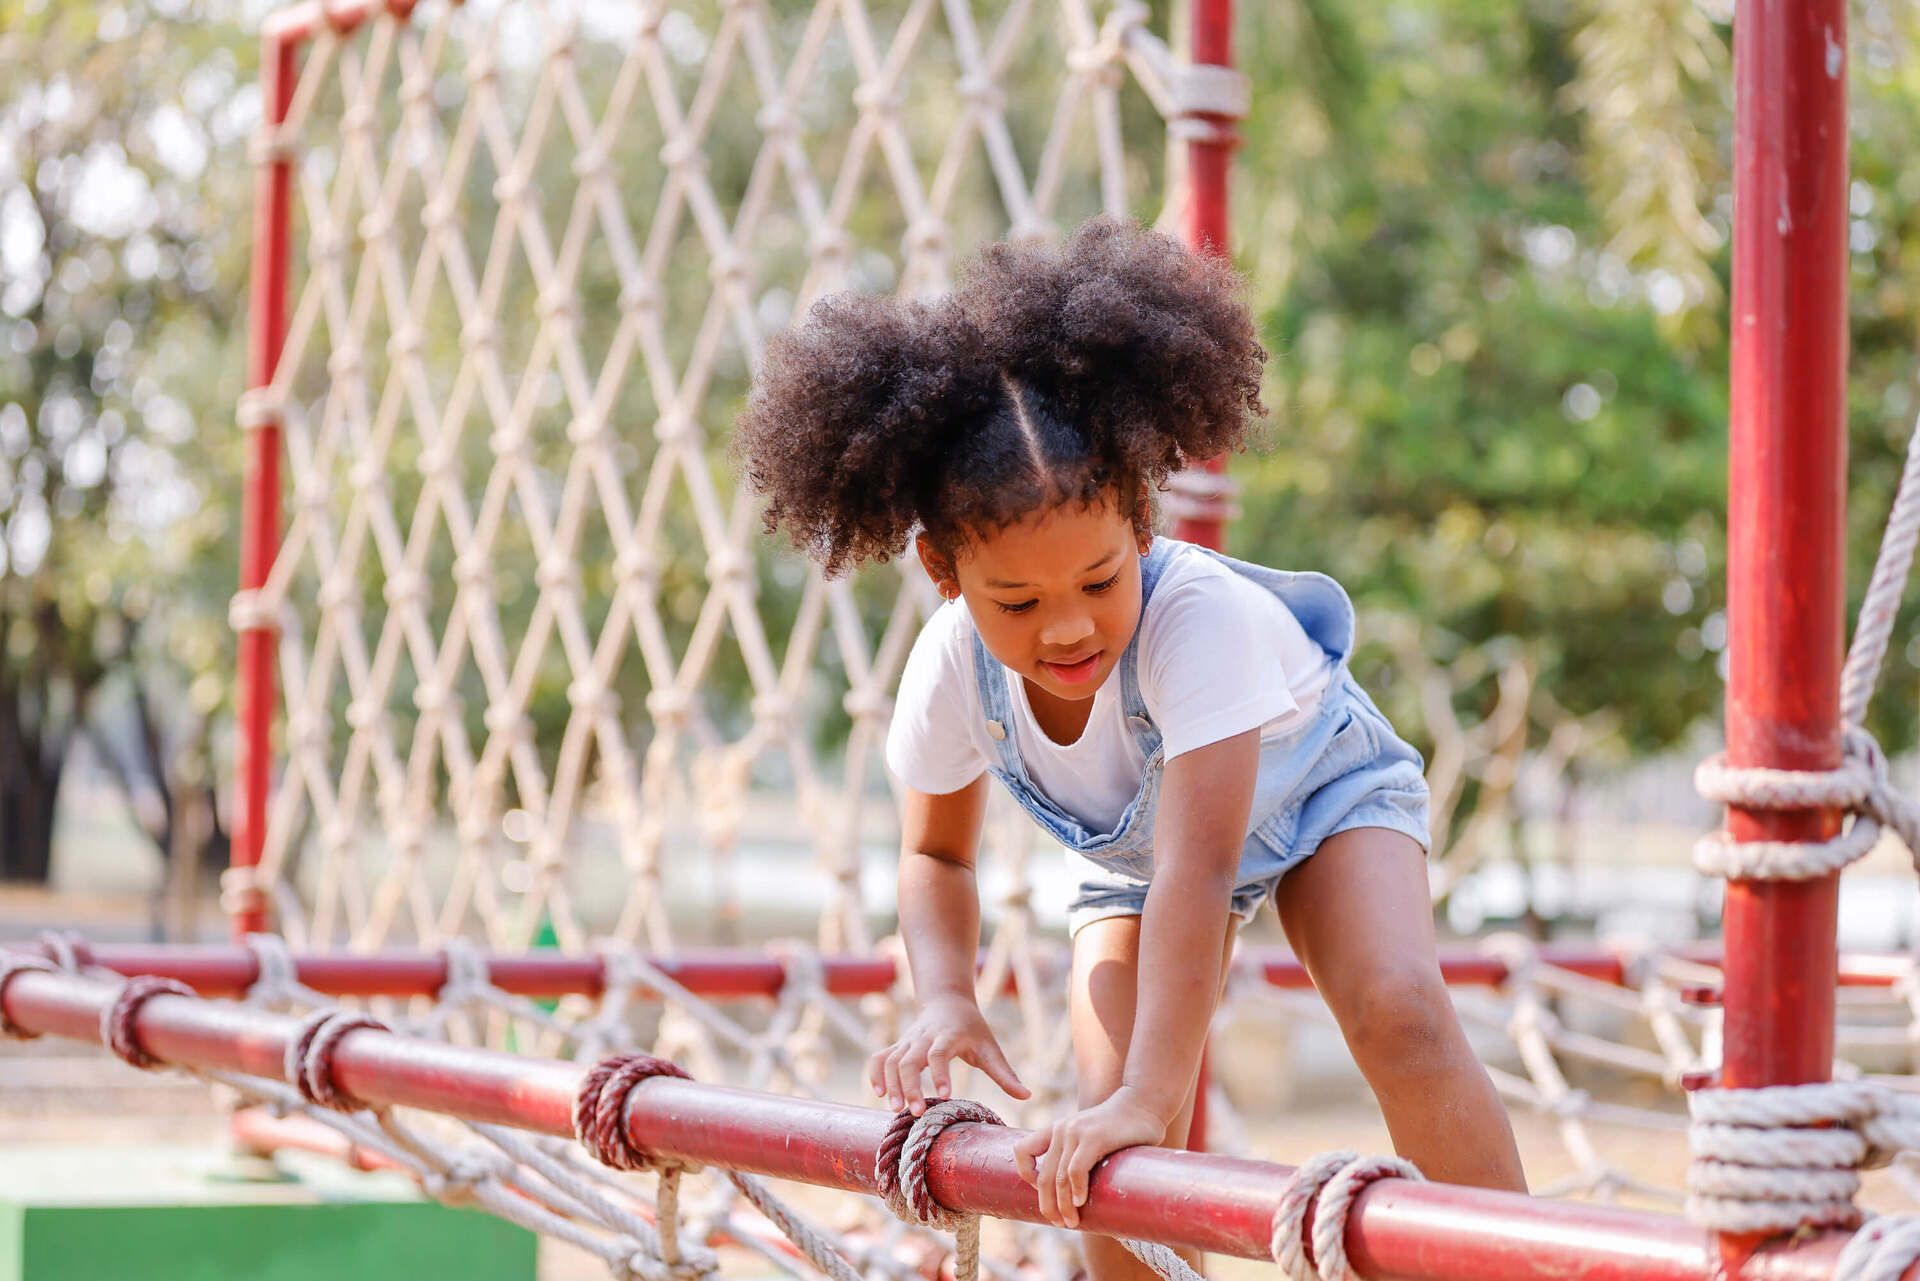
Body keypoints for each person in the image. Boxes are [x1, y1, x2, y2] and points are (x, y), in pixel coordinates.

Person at [734, 215, 1525, 1280]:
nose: (1067, 628)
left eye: (1099, 582)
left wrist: (1162, 1090)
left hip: (1322, 796)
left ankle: (1509, 1265)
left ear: (1144, 523)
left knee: (1399, 1013)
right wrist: (946, 995)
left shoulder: (1200, 623)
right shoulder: (950, 671)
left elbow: (1201, 873)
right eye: (1016, 599)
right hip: (1136, 867)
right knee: (1105, 1143)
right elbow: (935, 858)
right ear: (941, 573)